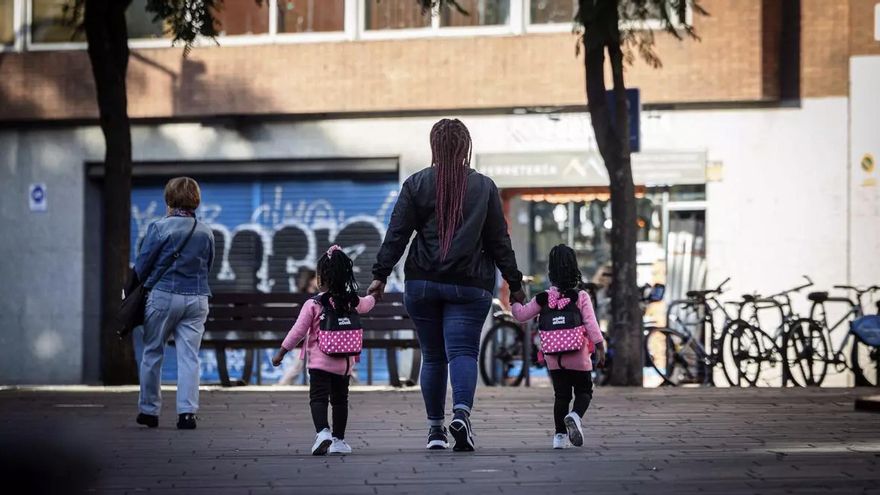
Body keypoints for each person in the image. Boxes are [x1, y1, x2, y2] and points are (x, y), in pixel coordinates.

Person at [368, 118, 524, 452]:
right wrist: (515, 284)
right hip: (470, 285)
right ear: (465, 146)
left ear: (434, 146)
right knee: (464, 352)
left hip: (423, 283)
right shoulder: (484, 187)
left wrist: (380, 275)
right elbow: (499, 242)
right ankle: (462, 414)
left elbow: (397, 234)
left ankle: (435, 432)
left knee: (434, 357)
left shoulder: (416, 183)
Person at [271, 246, 376, 456]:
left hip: (319, 363)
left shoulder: (314, 303)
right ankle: (338, 440)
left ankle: (322, 432)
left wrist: (282, 352)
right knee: (340, 401)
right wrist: (375, 294)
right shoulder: (351, 301)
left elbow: (298, 331)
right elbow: (367, 304)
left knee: (318, 398)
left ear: (321, 278)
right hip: (343, 365)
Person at [134, 177, 215, 430]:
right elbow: (208, 266)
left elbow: (142, 266)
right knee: (189, 357)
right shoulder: (206, 231)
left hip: (163, 297)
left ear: (169, 199)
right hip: (197, 298)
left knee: (152, 352)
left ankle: (149, 411)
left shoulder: (159, 228)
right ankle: (187, 414)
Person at [510, 244, 606, 449]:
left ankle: (559, 438)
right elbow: (591, 324)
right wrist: (599, 346)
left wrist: (514, 301)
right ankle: (575, 416)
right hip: (578, 357)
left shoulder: (543, 298)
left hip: (554, 358)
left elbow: (521, 316)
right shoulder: (581, 297)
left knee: (561, 395)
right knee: (584, 392)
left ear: (550, 271)